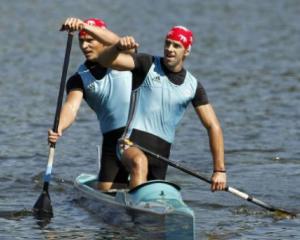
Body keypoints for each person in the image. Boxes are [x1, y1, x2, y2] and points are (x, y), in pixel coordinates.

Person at [62, 19, 227, 191]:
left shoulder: (193, 86)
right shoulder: (146, 64)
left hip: (161, 155)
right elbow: (106, 60)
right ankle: (135, 209)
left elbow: (213, 125)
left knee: (153, 198)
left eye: (176, 46)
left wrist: (219, 170)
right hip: (129, 144)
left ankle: (137, 202)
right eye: (167, 44)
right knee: (139, 163)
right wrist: (117, 46)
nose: (170, 49)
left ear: (187, 51)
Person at [48, 17, 132, 190]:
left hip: (140, 134)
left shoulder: (124, 57)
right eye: (81, 41)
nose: (84, 46)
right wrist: (59, 128)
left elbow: (117, 41)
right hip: (112, 141)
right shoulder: (79, 78)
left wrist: (84, 25)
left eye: (90, 40)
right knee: (107, 192)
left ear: (102, 39)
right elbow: (71, 106)